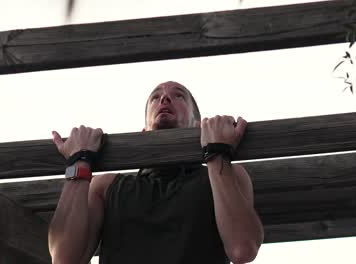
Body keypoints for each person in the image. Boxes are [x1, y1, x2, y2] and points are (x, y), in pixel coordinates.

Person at [48, 81, 264, 264]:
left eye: (178, 95)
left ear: (199, 127)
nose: (164, 99)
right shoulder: (106, 187)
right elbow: (64, 259)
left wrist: (217, 152)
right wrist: (80, 160)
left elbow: (242, 249)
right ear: (143, 132)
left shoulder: (227, 175)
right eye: (155, 97)